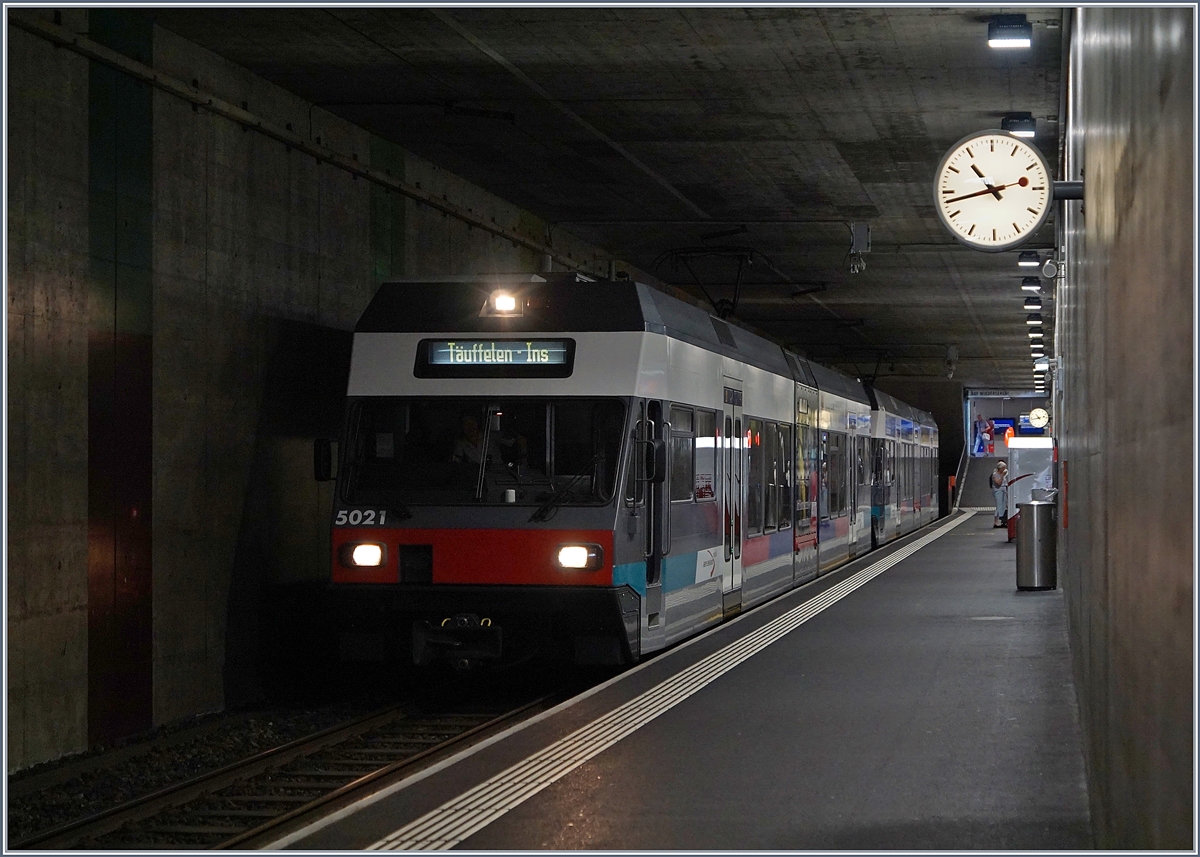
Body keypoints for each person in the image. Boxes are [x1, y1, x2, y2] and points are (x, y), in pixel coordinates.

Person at [990, 460, 1008, 528]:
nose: (1004, 469)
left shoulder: (1004, 474)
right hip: (998, 491)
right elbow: (998, 483)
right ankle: (995, 521)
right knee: (999, 505)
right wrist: (1002, 476)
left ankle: (1003, 520)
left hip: (1003, 490)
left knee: (1003, 505)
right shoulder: (995, 475)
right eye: (1003, 468)